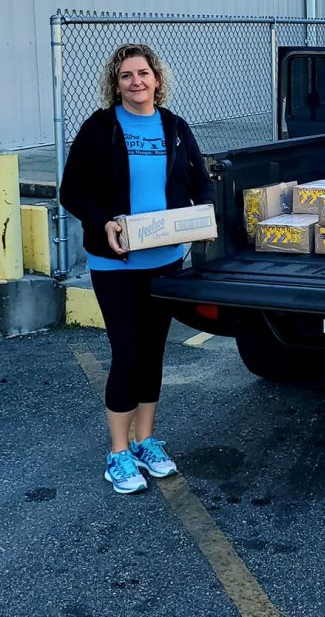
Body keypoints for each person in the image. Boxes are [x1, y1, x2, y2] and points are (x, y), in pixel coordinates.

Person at [60, 44, 214, 494]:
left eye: (143, 73)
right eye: (126, 76)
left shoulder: (176, 127)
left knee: (152, 353)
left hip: (166, 260)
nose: (136, 82)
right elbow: (73, 191)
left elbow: (200, 180)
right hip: (116, 264)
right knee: (127, 353)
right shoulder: (99, 128)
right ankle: (118, 452)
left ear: (157, 79)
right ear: (117, 83)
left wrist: (202, 214)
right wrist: (103, 220)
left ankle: (146, 439)